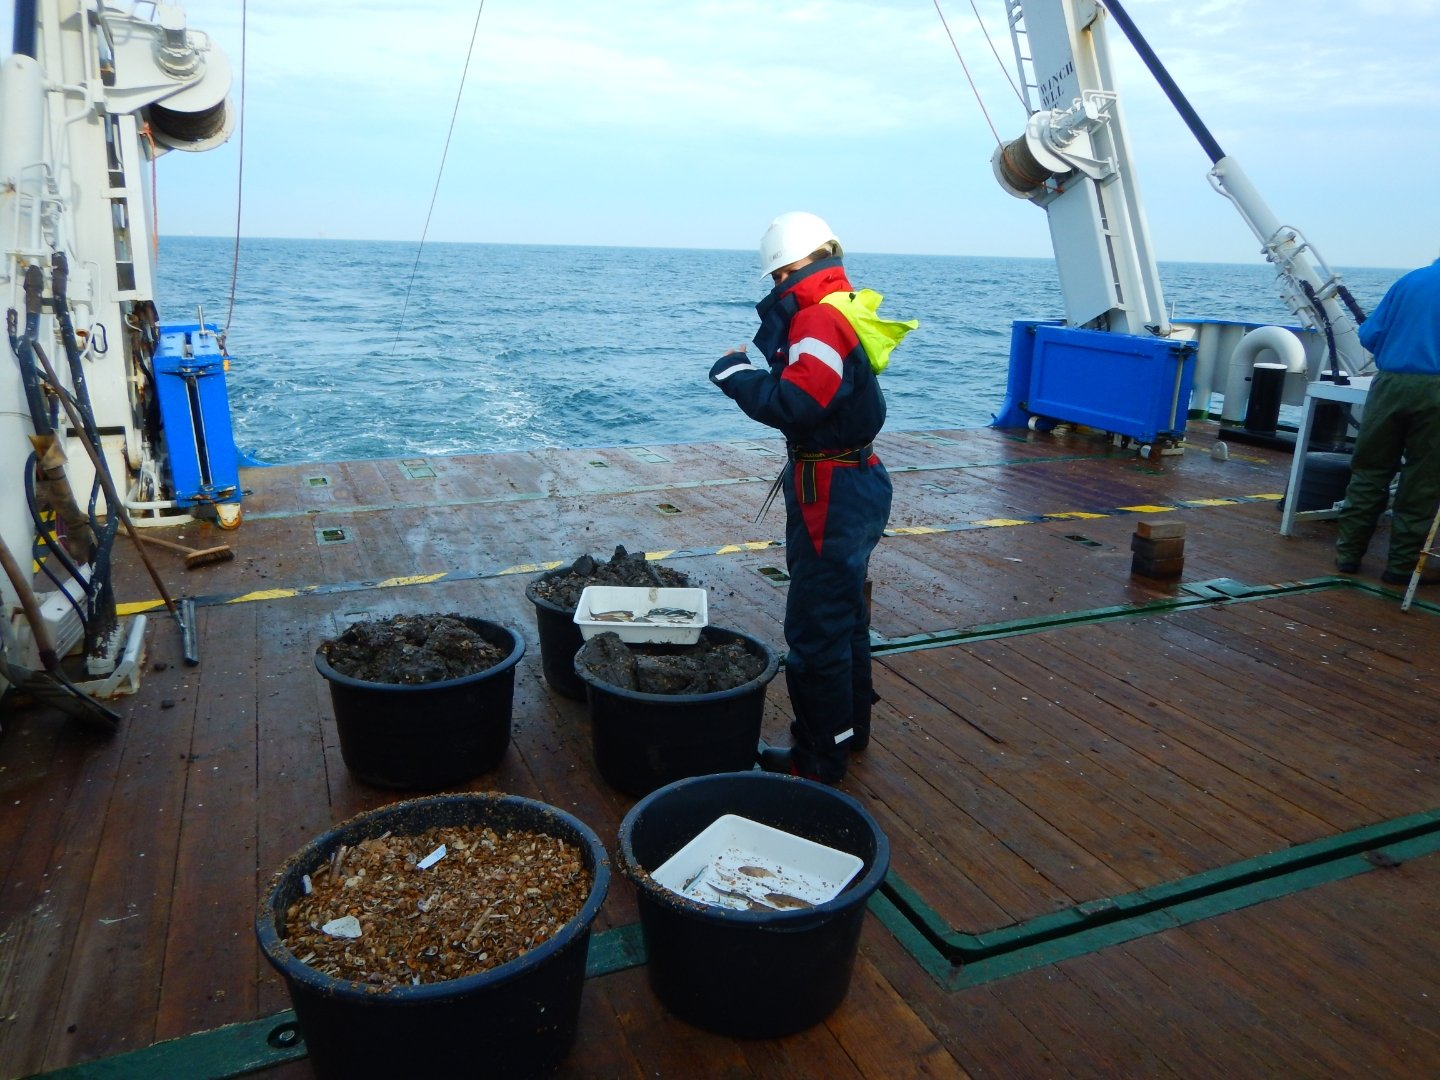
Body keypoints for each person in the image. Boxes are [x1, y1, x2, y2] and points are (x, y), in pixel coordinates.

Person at [709, 211, 915, 784]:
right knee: (844, 615)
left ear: (787, 269)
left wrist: (733, 375)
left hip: (832, 492)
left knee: (815, 628)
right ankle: (847, 734)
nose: (774, 288)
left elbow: (798, 404)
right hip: (857, 477)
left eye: (774, 277)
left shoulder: (816, 322)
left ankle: (817, 761)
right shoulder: (839, 307)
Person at [1334, 255, 1440, 584]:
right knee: (1422, 482)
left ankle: (1348, 555)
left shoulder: (1410, 281)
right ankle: (1401, 566)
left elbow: (1369, 335)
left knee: (1369, 472)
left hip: (1390, 386)